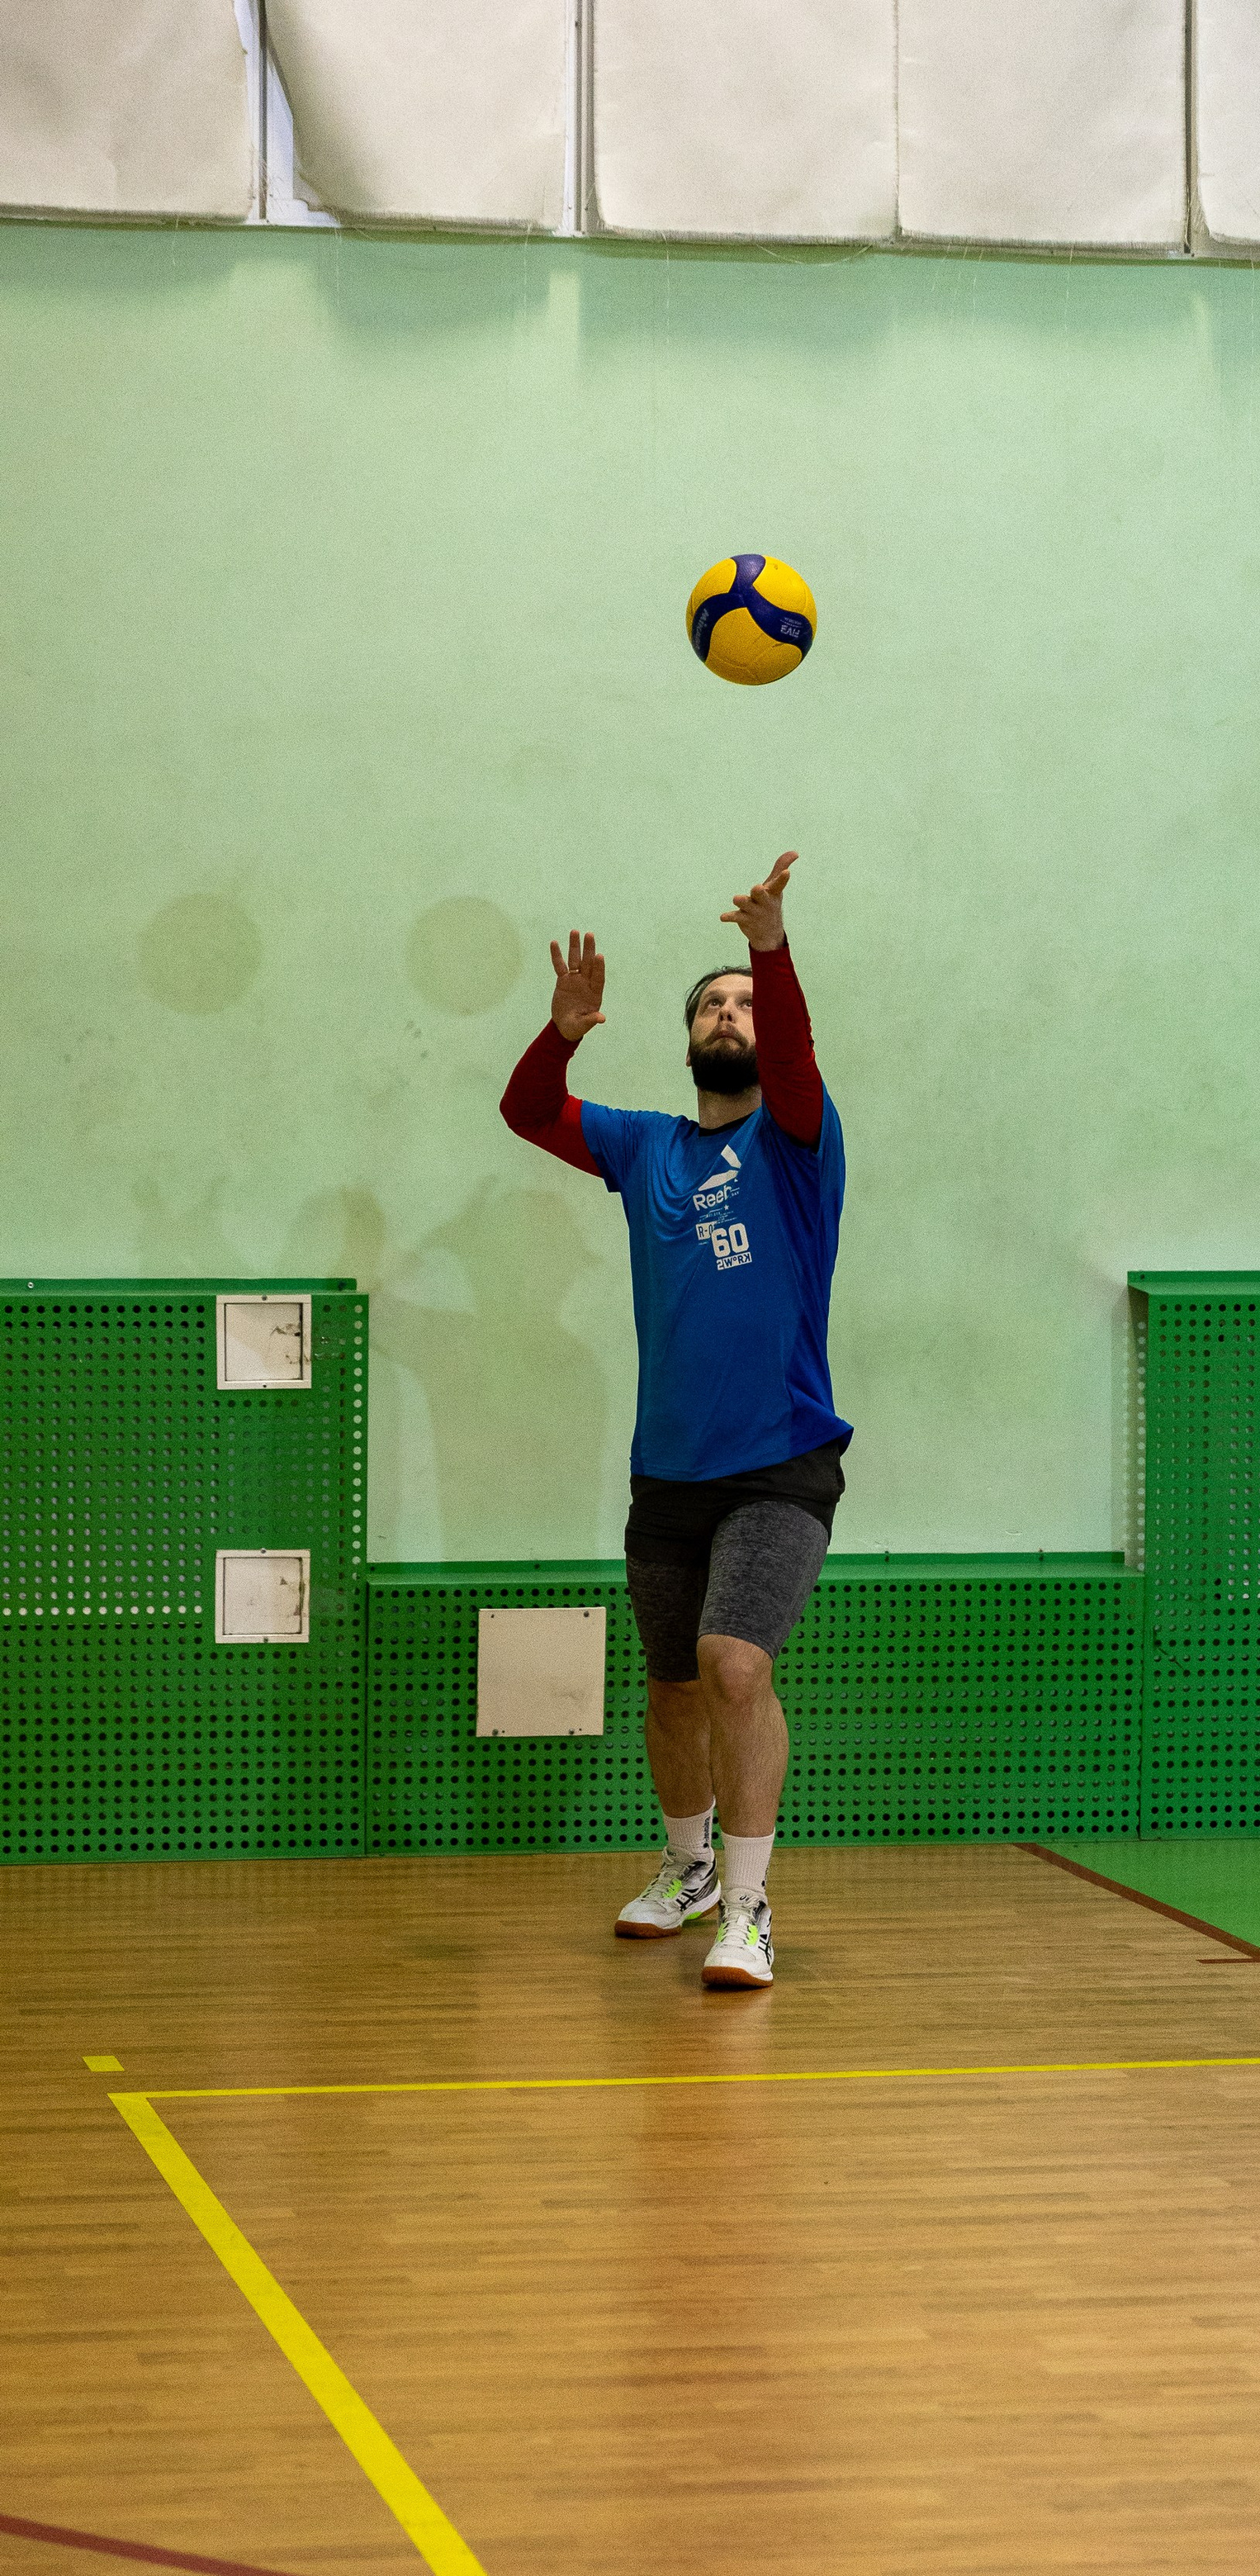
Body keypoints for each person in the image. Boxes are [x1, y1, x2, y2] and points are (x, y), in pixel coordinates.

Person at [500, 851, 848, 1988]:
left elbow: (793, 1055)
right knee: (671, 1686)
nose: (731, 1013)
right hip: (671, 1471)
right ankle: (688, 1866)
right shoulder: (648, 1145)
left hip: (783, 1460)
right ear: (688, 1035)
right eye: (712, 1002)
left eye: (743, 1003)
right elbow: (526, 1111)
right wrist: (559, 1035)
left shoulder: (797, 1141)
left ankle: (747, 1908)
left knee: (734, 1664)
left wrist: (769, 947)